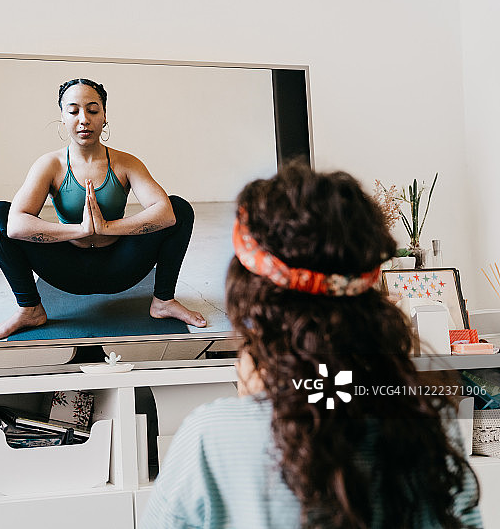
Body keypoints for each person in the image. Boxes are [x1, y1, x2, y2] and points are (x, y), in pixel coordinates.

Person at [142, 161, 481, 528]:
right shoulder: (430, 421)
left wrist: (255, 408)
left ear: (249, 297)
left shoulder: (210, 438)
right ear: (371, 294)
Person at [0, 78, 206, 341]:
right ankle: (29, 308)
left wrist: (106, 227)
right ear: (62, 118)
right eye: (73, 111)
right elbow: (15, 226)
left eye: (92, 110)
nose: (83, 119)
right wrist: (81, 229)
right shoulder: (49, 165)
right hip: (66, 269)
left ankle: (163, 301)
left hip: (121, 267)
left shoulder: (126, 162)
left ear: (105, 116)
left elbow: (166, 213)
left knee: (179, 208)